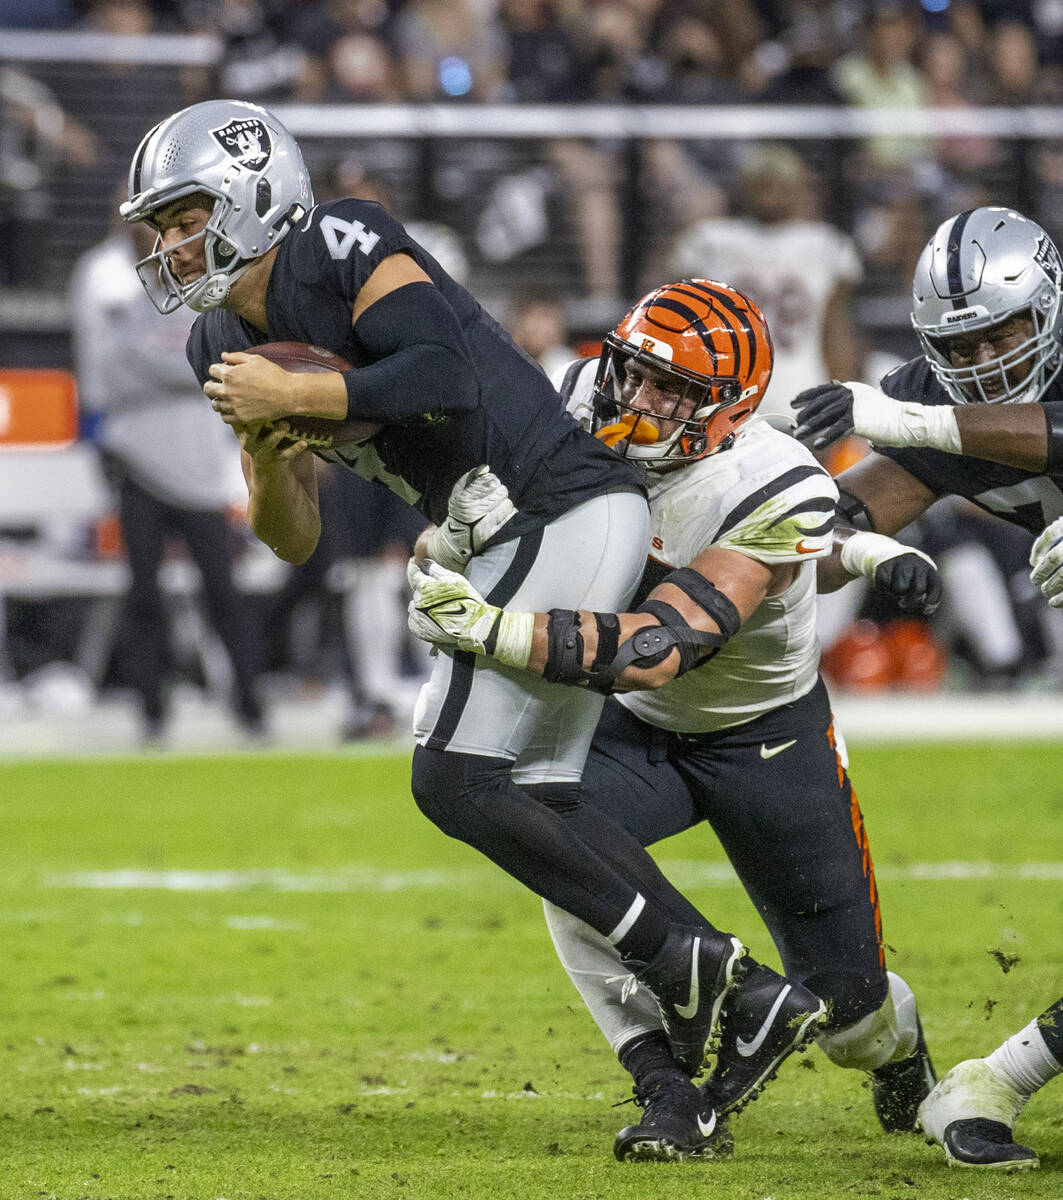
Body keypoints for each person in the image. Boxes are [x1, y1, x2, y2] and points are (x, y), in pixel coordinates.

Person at [118, 97, 770, 1084]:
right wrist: (264, 453)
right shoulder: (216, 346)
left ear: (253, 193)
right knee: (542, 802)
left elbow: (443, 373)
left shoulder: (342, 239)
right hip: (511, 533)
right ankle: (688, 1055)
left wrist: (299, 395)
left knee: (452, 777)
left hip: (561, 506)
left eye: (183, 216)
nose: (168, 245)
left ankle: (693, 963)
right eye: (158, 227)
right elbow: (295, 538)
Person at [407, 278, 939, 1161]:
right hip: (631, 726)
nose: (637, 402)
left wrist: (493, 629)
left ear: (729, 409)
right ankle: (667, 1088)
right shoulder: (575, 397)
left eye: (675, 391)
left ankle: (898, 1040)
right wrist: (456, 539)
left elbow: (660, 646)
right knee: (559, 849)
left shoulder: (770, 483)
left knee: (848, 1012)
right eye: (633, 373)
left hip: (762, 736)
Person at [792, 204, 1063, 1168]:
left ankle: (996, 1079)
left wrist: (906, 417)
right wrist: (848, 544)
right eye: (962, 342)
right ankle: (995, 1081)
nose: (987, 357)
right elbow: (812, 542)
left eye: (1003, 331)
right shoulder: (927, 403)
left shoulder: (915, 406)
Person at [70, 187, 264, 743]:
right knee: (143, 594)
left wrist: (159, 363)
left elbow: (223, 362)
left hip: (200, 464)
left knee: (223, 592)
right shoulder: (107, 277)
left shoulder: (206, 281)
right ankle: (151, 711)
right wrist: (184, 367)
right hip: (139, 462)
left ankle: (250, 705)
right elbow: (109, 374)